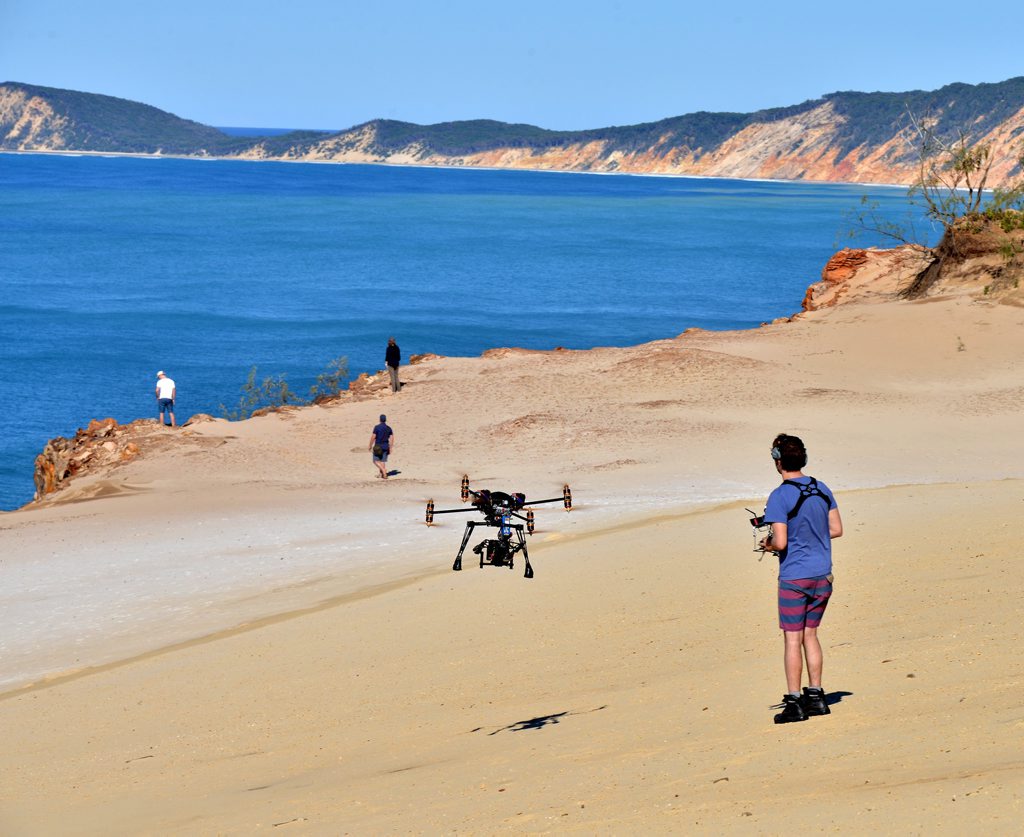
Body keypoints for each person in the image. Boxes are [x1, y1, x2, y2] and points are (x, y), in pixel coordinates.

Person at [759, 433, 843, 724]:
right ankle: (817, 696)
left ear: (777, 461)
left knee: (792, 639)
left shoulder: (780, 495)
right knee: (811, 635)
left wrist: (767, 544)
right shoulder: (822, 488)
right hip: (823, 574)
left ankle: (795, 701)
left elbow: (780, 542)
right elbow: (835, 529)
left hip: (795, 577)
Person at [369, 414, 395, 479]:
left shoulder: (377, 427)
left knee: (375, 461)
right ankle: (382, 474)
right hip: (386, 446)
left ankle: (383, 470)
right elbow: (391, 438)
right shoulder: (389, 428)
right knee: (382, 461)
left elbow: (373, 437)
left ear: (380, 419)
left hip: (378, 446)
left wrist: (370, 445)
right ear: (385, 420)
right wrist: (390, 447)